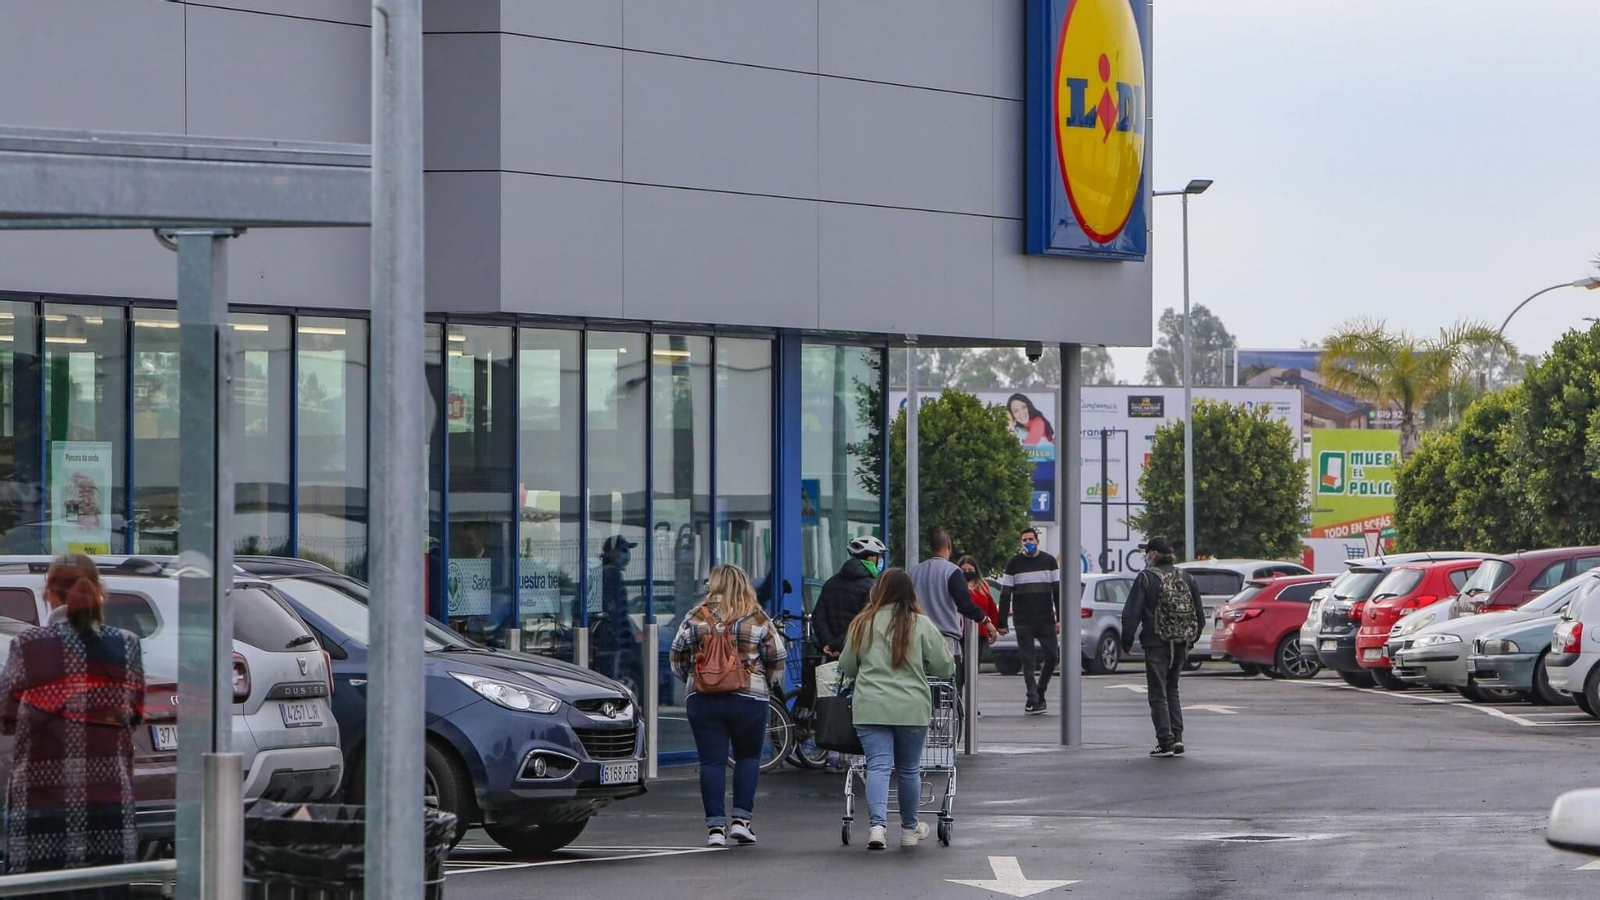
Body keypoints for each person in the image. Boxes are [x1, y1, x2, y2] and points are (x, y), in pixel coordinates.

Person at [1, 555, 145, 900]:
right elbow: (134, 715)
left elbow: (5, 716)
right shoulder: (127, 645)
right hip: (108, 800)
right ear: (100, 592)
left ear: (48, 593)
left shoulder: (28, 646)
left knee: (41, 891)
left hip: (41, 801)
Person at [669, 564, 786, 847]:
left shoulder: (695, 616)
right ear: (744, 584)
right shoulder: (757, 616)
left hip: (703, 699)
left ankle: (715, 829)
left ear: (714, 584)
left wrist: (696, 679)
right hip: (749, 698)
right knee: (747, 758)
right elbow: (777, 657)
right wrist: (764, 682)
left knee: (711, 762)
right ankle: (741, 822)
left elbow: (676, 657)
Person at [839, 568, 955, 851]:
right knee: (909, 769)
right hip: (911, 708)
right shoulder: (921, 624)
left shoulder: (862, 623)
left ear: (879, 591)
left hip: (871, 707)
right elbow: (945, 667)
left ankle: (877, 827)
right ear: (910, 593)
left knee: (878, 765)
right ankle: (908, 829)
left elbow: (847, 666)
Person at [1119, 537, 1205, 758]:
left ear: (1154, 554)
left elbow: (1131, 613)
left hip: (1156, 642)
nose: (1146, 556)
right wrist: (1190, 639)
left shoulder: (1146, 578)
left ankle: (1164, 742)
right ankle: (1177, 738)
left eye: (1147, 552)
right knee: (1172, 689)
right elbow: (1199, 615)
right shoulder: (1187, 577)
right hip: (1181, 643)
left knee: (1158, 693)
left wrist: (1126, 642)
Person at [911, 530, 997, 689]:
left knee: (923, 686)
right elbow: (965, 605)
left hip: (918, 640)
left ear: (931, 546)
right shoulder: (952, 572)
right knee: (949, 688)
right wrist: (986, 621)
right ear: (949, 546)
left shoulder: (914, 572)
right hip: (946, 641)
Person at [996, 527, 1061, 716]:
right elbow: (1005, 594)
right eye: (1024, 540)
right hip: (1023, 619)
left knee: (1052, 656)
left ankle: (1040, 690)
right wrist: (1002, 623)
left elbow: (1057, 592)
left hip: (1045, 619)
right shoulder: (1014, 564)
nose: (1028, 543)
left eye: (1030, 539)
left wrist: (1059, 619)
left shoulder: (1049, 562)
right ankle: (1032, 698)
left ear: (1037, 541)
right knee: (1028, 660)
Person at [814, 535, 885, 660]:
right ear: (871, 558)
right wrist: (838, 645)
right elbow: (865, 623)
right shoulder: (872, 587)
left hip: (832, 655)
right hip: (859, 655)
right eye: (879, 556)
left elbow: (818, 617)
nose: (881, 560)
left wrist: (829, 644)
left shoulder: (831, 582)